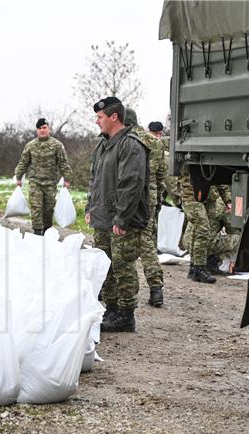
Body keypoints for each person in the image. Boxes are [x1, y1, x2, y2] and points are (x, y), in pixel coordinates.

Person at [84, 97, 150, 333]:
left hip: (123, 221)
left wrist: (122, 219)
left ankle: (125, 314)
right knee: (105, 265)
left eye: (100, 117)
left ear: (114, 117)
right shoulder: (102, 145)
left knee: (123, 266)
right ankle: (111, 309)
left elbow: (131, 184)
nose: (96, 121)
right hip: (102, 217)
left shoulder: (131, 145)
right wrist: (90, 208)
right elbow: (95, 180)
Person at [124, 108, 165, 307]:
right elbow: (161, 176)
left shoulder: (126, 141)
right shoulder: (155, 143)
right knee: (147, 242)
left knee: (123, 242)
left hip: (128, 196)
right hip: (150, 196)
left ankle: (125, 293)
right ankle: (156, 289)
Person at [13, 118, 73, 235]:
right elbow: (23, 162)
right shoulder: (30, 145)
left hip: (50, 183)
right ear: (37, 130)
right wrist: (18, 177)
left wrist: (67, 178)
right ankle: (37, 233)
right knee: (36, 208)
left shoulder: (57, 145)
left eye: (44, 128)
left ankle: (47, 232)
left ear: (48, 129)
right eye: (40, 128)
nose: (42, 130)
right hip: (35, 182)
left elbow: (63, 163)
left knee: (48, 209)